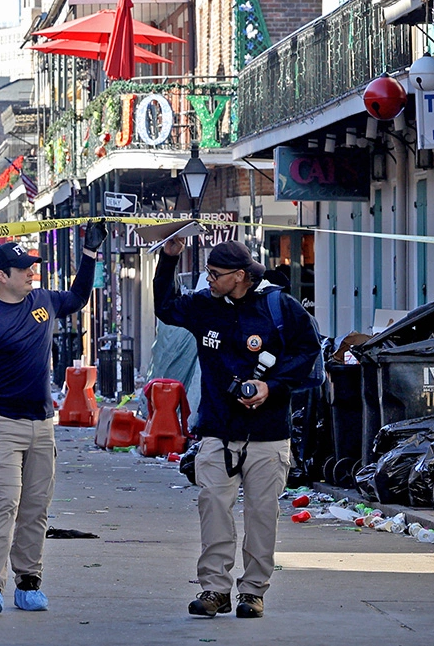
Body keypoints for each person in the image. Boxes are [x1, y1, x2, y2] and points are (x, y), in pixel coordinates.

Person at [153, 239, 320, 620]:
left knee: (262, 516)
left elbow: (308, 351)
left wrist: (270, 386)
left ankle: (253, 592)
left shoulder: (279, 307)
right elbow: (165, 307)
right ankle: (214, 589)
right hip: (216, 432)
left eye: (216, 274)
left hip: (268, 434)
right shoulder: (204, 306)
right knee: (213, 507)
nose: (208, 280)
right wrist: (169, 257)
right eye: (208, 272)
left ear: (241, 276)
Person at [0, 224, 103, 616]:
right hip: (0, 424)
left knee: (36, 506)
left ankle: (28, 581)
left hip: (41, 424)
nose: (31, 272)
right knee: (5, 501)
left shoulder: (43, 301)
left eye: (31, 266)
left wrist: (89, 253)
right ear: (1, 276)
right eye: (23, 268)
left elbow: (78, 297)